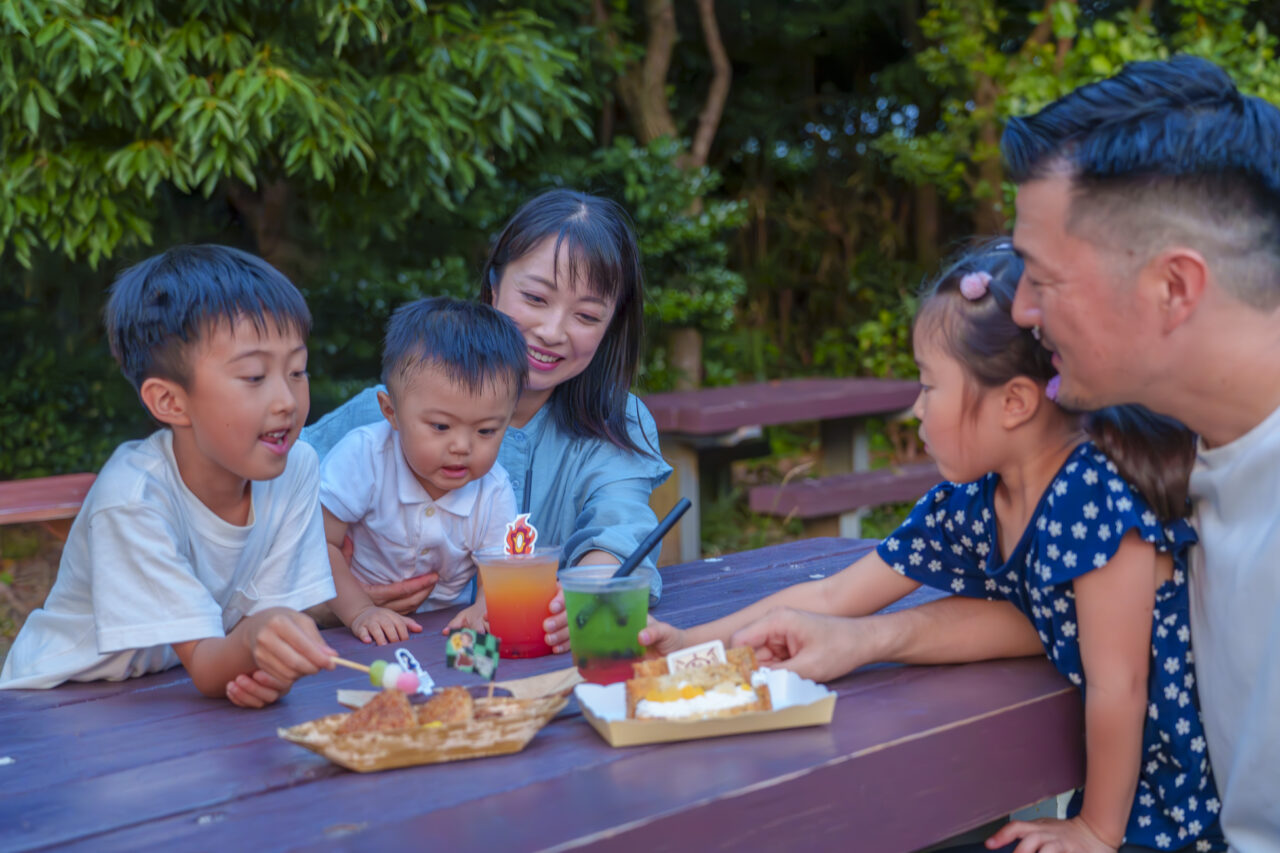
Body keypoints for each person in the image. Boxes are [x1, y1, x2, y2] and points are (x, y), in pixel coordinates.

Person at [718, 56, 1279, 853]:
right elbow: (1057, 614)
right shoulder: (1174, 463)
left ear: (1173, 288)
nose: (1020, 311)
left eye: (1043, 278)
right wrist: (870, 637)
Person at [644, 241, 1224, 852]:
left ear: (1015, 402)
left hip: (1179, 810)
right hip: (1121, 799)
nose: (916, 410)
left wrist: (1095, 831)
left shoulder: (1091, 495)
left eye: (929, 386)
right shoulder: (975, 503)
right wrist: (692, 645)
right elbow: (834, 596)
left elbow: (1119, 684)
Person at [302, 189, 672, 654]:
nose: (552, 331)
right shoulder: (374, 422)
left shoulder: (616, 423)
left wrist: (588, 590)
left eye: (586, 315)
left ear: (611, 325)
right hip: (370, 662)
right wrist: (336, 605)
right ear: (494, 285)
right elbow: (269, 522)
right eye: (535, 297)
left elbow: (618, 530)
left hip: (527, 661)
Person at [0, 245, 339, 708]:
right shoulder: (133, 499)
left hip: (167, 694)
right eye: (254, 377)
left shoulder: (296, 468)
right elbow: (210, 664)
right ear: (170, 402)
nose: (287, 401)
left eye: (298, 371)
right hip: (57, 705)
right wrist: (251, 646)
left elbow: (257, 635)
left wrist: (268, 662)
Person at [320, 297, 525, 644]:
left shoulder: (493, 490)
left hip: (444, 632)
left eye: (486, 430)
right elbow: (319, 542)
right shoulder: (364, 456)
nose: (462, 446)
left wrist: (484, 608)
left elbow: (501, 570)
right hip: (350, 627)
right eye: (441, 426)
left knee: (477, 671)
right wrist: (360, 612)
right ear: (391, 412)